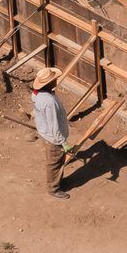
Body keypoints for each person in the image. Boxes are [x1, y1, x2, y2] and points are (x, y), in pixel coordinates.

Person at [31, 66, 75, 200]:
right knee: (54, 163)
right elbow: (54, 126)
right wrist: (63, 142)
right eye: (54, 79)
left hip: (46, 133)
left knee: (58, 161)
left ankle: (57, 181)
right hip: (53, 138)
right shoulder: (49, 101)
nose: (56, 81)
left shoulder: (36, 93)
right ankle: (53, 189)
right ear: (49, 83)